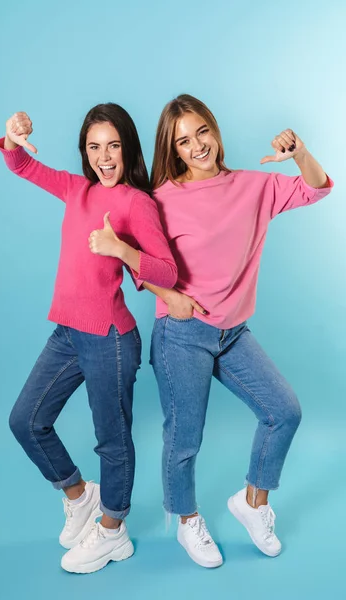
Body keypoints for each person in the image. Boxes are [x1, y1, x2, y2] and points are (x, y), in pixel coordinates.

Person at [144, 94, 333, 567]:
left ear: (214, 130)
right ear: (174, 150)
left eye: (201, 132)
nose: (196, 146)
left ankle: (253, 504)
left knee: (283, 411)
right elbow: (140, 266)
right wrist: (171, 298)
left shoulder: (253, 186)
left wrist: (300, 154)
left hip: (232, 334)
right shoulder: (162, 199)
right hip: (182, 334)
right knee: (184, 438)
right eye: (183, 141)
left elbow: (317, 189)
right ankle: (187, 522)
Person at [0, 103, 177, 574]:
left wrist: (120, 248)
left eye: (113, 145)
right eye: (95, 147)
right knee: (26, 421)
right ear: (86, 153)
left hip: (111, 340)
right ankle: (80, 495)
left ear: (127, 148)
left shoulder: (138, 202)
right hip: (68, 333)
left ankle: (114, 532)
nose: (105, 156)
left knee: (112, 442)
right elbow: (20, 164)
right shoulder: (78, 190)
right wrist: (13, 136)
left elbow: (167, 271)